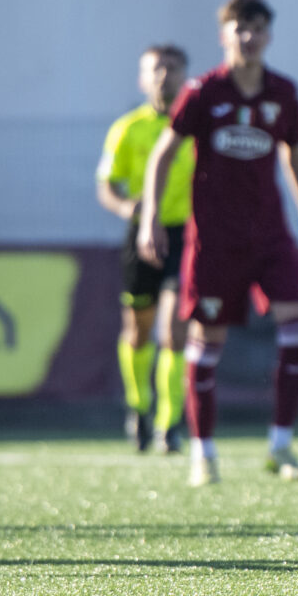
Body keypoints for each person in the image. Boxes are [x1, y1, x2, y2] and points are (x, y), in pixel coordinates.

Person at [137, 0, 298, 487]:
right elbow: (163, 153)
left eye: (257, 27)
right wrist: (149, 216)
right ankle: (204, 451)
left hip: (270, 235)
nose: (248, 36)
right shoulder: (203, 92)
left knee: (297, 327)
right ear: (224, 35)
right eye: (239, 27)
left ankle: (280, 446)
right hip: (215, 243)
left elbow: (293, 154)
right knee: (207, 343)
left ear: (268, 34)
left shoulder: (283, 92)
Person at [96, 43, 192, 453]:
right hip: (142, 235)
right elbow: (106, 184)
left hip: (186, 235)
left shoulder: (197, 126)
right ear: (143, 77)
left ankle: (169, 425)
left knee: (174, 331)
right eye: (156, 69)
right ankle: (138, 407)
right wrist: (125, 207)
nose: (164, 76)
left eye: (172, 68)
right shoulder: (127, 128)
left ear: (184, 75)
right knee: (137, 330)